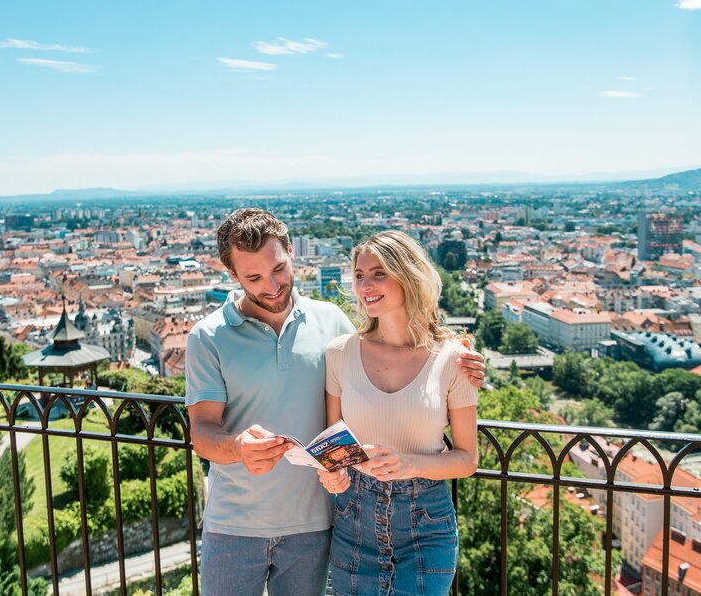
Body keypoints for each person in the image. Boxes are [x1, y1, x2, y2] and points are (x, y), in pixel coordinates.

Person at [186, 209, 485, 596]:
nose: (272, 286)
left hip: (318, 524)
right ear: (233, 276)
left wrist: (466, 362)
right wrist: (237, 447)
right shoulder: (207, 336)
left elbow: (392, 341)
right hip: (236, 524)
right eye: (254, 278)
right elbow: (202, 432)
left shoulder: (331, 324)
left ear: (292, 252)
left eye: (278, 269)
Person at [318, 230, 479, 596]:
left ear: (406, 275)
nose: (365, 285)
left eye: (379, 273)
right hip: (353, 520)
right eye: (359, 275)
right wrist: (333, 476)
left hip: (426, 525)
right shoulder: (339, 354)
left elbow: (467, 459)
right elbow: (333, 451)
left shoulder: (454, 359)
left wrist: (409, 465)